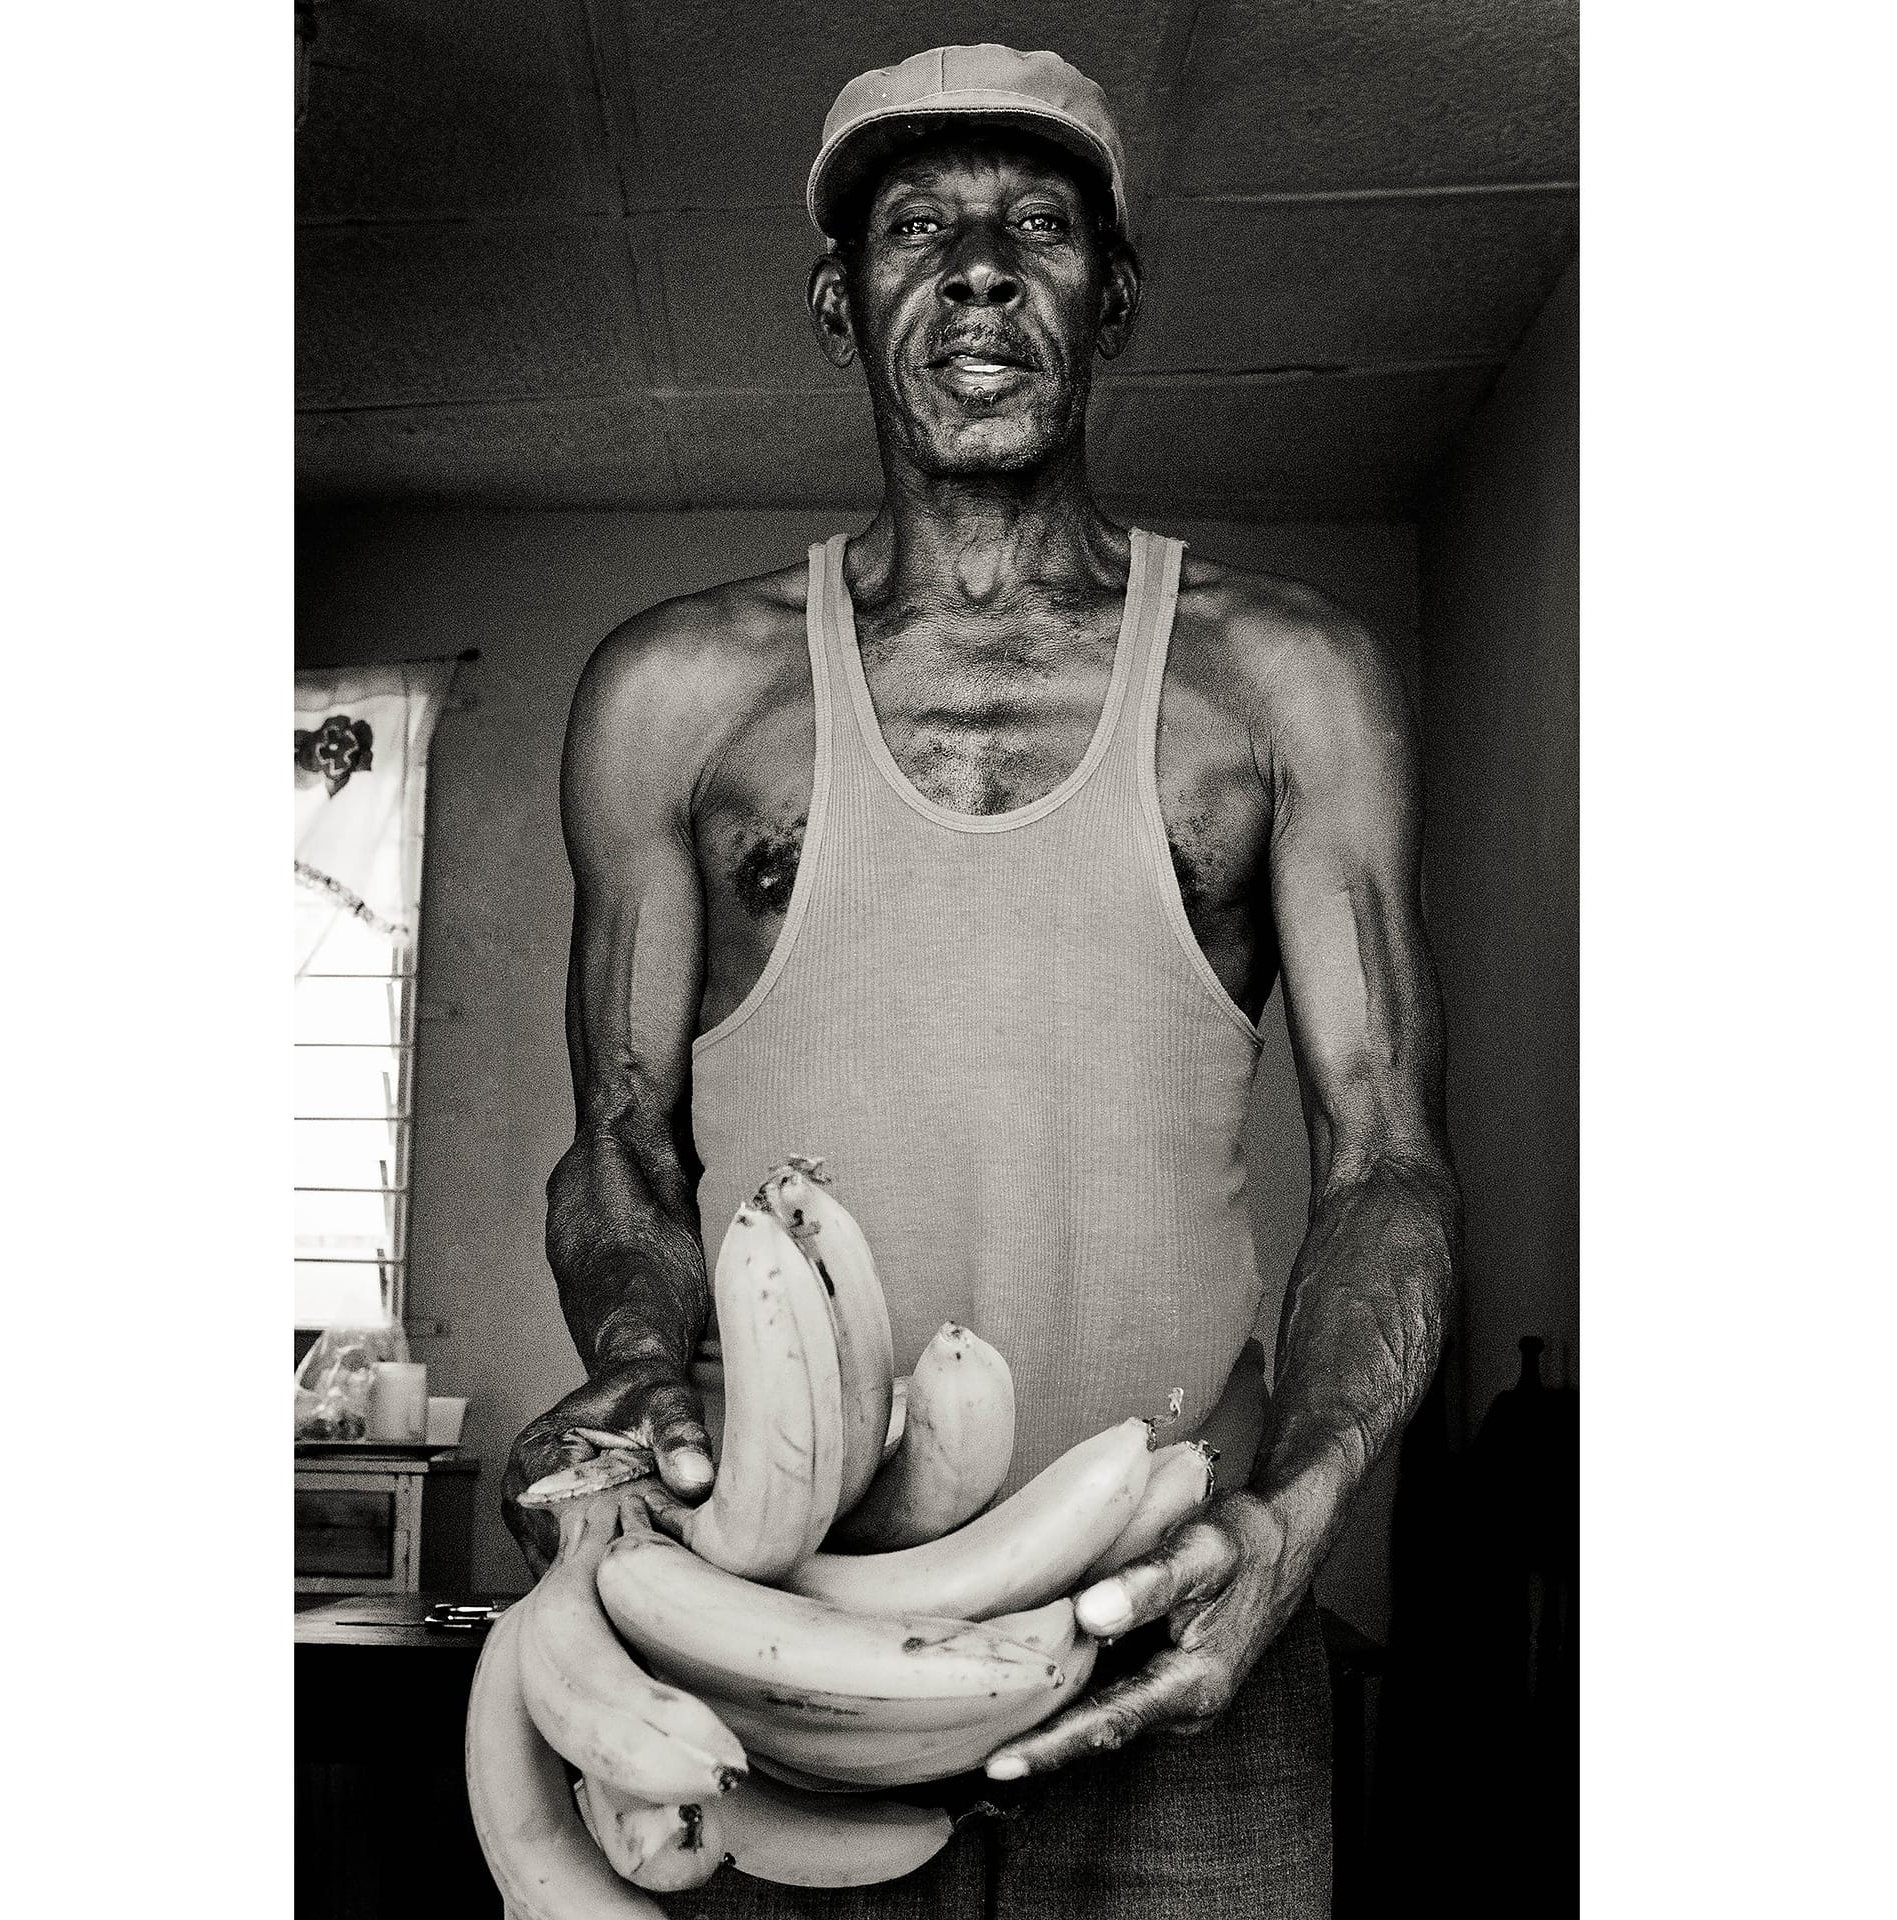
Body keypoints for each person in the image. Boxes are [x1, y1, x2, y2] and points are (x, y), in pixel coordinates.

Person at [503, 44, 1461, 1918]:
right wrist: (633, 1350)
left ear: (1116, 297)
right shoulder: (676, 699)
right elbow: (620, 1140)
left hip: (1188, 1595)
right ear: (836, 306)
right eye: (914, 231)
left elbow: (1386, 1162)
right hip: (793, 1631)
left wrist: (1302, 1521)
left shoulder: (1286, 680)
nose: (978, 273)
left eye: (1038, 225)